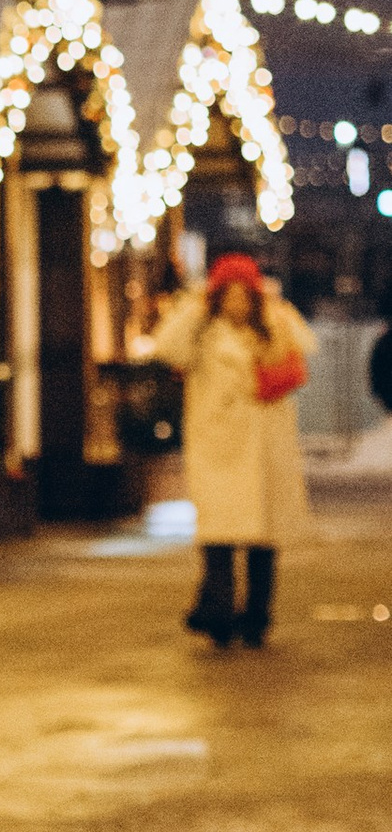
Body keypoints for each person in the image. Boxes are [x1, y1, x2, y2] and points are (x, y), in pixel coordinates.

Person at [152, 253, 312, 647]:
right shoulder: (204, 334)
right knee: (219, 537)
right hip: (218, 449)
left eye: (245, 295)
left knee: (263, 540)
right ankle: (219, 615)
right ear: (217, 297)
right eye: (228, 295)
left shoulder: (273, 329)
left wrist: (278, 313)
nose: (237, 303)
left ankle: (257, 617)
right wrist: (194, 309)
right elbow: (167, 348)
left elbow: (304, 348)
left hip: (266, 452)